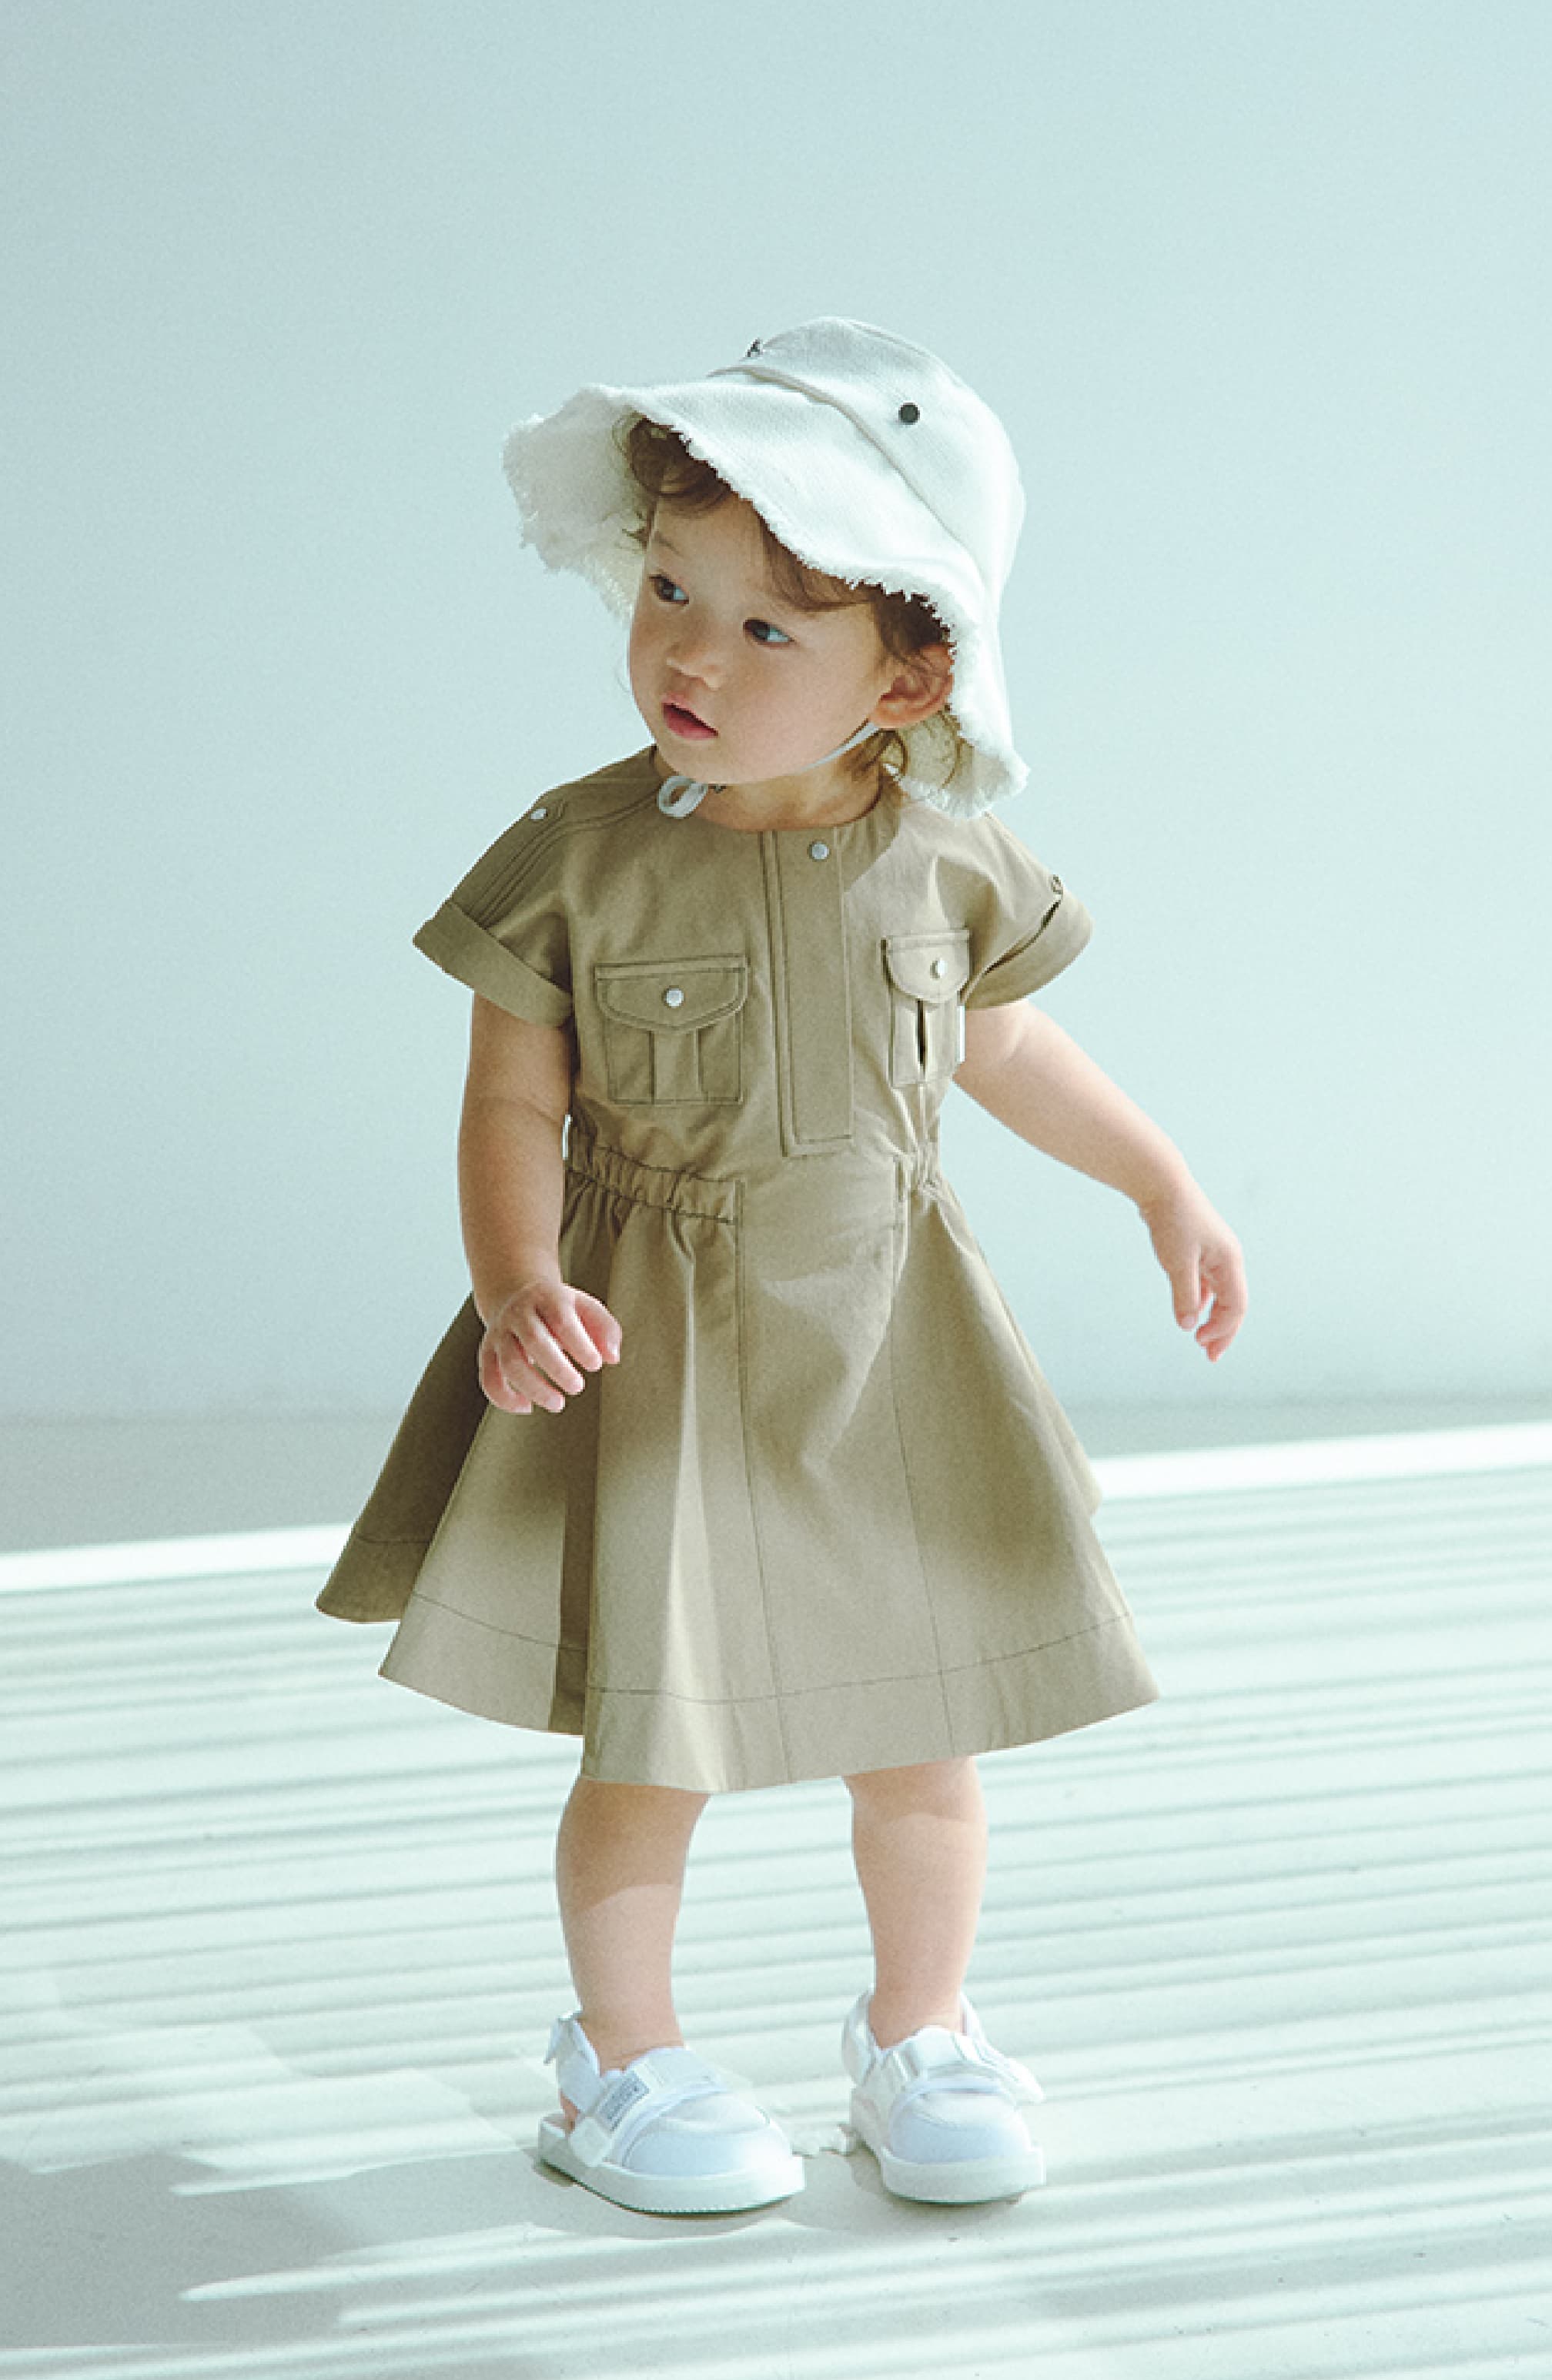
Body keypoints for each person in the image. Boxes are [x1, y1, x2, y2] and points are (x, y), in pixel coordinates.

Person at [316, 317, 1248, 2218]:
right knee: (652, 1735)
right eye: (670, 589)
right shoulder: (576, 856)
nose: (689, 653)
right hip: (655, 1345)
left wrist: (1160, 1180)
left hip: (890, 1346)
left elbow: (1009, 1051)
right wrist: (516, 1281)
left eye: (765, 627)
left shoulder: (947, 854)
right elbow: (511, 1102)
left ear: (909, 674)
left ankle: (922, 2027)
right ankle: (622, 2056)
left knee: (922, 1723)